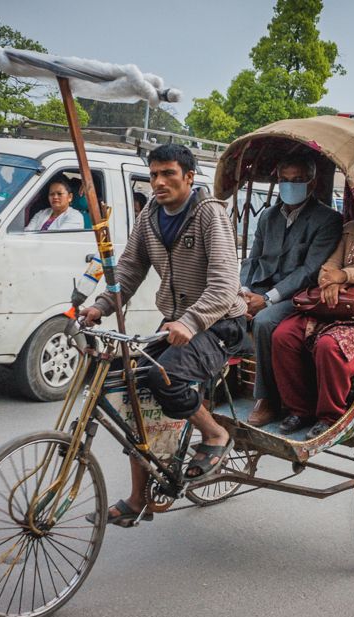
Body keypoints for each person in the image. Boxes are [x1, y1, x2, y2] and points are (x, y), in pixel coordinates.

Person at [81, 144, 247, 526]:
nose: (159, 182)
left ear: (189, 177)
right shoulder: (150, 216)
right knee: (135, 396)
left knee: (162, 376)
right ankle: (139, 498)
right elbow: (128, 270)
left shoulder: (210, 214)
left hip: (219, 323)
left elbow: (224, 286)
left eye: (168, 173)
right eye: (154, 174)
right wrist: (101, 306)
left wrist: (190, 322)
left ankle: (214, 433)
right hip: (175, 323)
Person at [239, 155, 343, 427]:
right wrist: (243, 292)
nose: (289, 186)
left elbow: (309, 270)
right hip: (261, 287)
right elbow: (254, 259)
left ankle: (268, 399)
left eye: (297, 180)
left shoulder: (327, 220)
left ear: (311, 183)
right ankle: (216, 385)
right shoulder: (269, 216)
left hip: (297, 296)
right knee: (219, 309)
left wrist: (267, 299)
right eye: (284, 180)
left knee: (264, 321)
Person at [272, 212, 354, 439]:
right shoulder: (352, 227)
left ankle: (330, 417)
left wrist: (344, 277)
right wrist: (329, 281)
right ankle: (299, 410)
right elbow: (329, 265)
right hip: (332, 304)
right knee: (284, 336)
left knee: (329, 346)